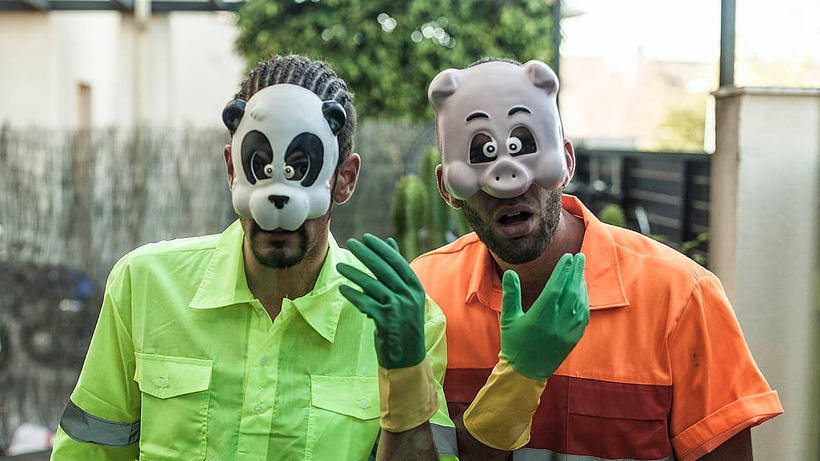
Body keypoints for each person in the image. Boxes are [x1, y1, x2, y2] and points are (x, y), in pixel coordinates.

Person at [50, 54, 457, 460]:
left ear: (344, 178)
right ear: (232, 168)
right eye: (259, 166)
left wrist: (406, 376)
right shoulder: (144, 285)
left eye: (300, 169)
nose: (277, 200)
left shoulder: (410, 323)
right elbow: (88, 451)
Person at [410, 58, 784, 461]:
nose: (508, 180)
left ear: (567, 162)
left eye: (525, 145)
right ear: (446, 188)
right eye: (479, 152)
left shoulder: (682, 297)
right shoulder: (424, 294)